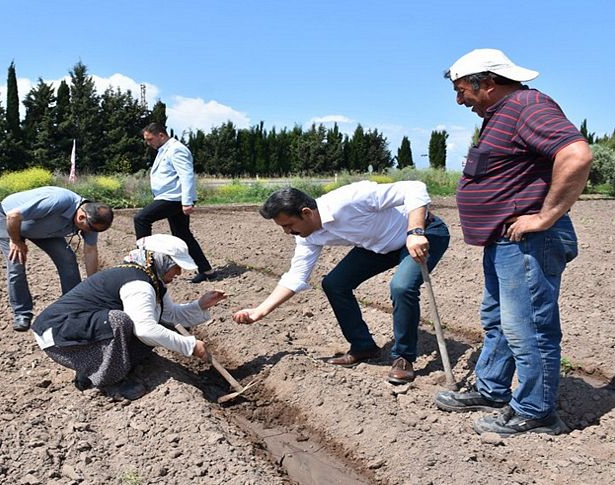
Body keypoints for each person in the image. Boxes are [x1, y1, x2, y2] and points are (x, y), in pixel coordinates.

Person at [434, 49, 593, 436]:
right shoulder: (501, 114)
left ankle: (537, 411)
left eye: (461, 91)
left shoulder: (527, 105)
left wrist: (545, 216)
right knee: (498, 322)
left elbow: (576, 154)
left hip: (529, 243)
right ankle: (492, 390)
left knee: (529, 328)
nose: (459, 100)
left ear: (486, 83)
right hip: (504, 242)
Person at [232, 182, 450, 384]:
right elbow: (296, 276)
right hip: (379, 247)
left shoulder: (349, 199)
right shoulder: (307, 237)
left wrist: (415, 232)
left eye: (289, 225)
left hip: (424, 233)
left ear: (306, 213)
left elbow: (414, 188)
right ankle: (363, 347)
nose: (287, 232)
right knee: (335, 283)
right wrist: (260, 311)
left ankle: (403, 358)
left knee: (401, 286)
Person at [30, 234, 226, 400]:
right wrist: (189, 346)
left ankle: (93, 369)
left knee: (149, 332)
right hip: (58, 336)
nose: (180, 272)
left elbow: (169, 315)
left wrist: (201, 304)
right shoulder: (138, 284)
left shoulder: (151, 281)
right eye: (176, 266)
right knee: (120, 321)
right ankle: (111, 381)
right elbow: (145, 329)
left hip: (77, 332)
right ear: (161, 260)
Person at [0, 186, 113, 332]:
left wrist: (93, 286)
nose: (92, 233)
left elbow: (90, 250)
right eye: (91, 229)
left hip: (43, 230)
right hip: (9, 222)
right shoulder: (58, 201)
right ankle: (21, 314)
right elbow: (13, 215)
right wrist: (16, 241)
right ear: (81, 217)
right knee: (16, 264)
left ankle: (73, 308)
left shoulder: (92, 222)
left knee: (67, 259)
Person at [135, 122, 216, 283]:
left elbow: (186, 176)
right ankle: (207, 271)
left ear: (161, 135)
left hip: (174, 198)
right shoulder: (164, 150)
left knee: (141, 219)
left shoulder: (176, 149)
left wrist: (187, 202)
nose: (148, 143)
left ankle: (145, 265)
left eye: (150, 139)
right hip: (170, 197)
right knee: (183, 234)